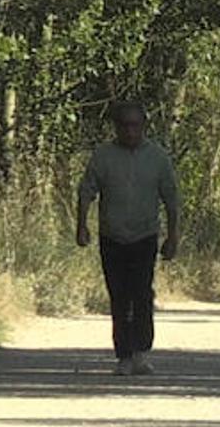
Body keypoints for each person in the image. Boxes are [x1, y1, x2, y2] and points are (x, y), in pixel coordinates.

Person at [76, 100, 181, 376]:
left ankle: (141, 353)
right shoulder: (103, 156)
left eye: (135, 125)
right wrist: (82, 226)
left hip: (144, 236)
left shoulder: (157, 158)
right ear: (116, 127)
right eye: (124, 126)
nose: (130, 131)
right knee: (119, 296)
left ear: (143, 126)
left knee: (142, 293)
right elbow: (86, 191)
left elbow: (171, 198)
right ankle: (123, 355)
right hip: (112, 236)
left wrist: (172, 236)